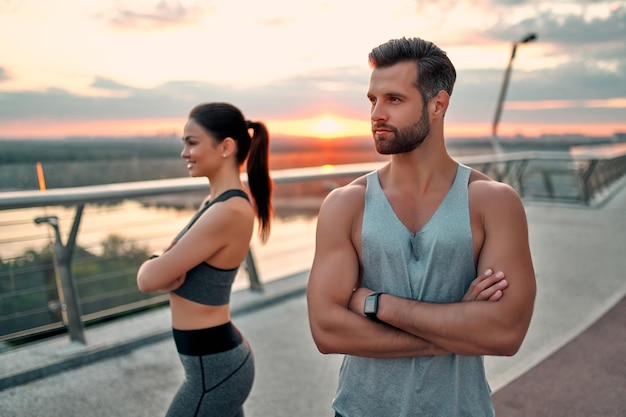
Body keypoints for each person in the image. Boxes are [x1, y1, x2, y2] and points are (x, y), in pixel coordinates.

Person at [306, 37, 536, 417]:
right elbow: (327, 332)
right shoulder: (345, 204)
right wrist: (458, 327)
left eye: (394, 99)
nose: (377, 113)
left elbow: (505, 333)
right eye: (372, 100)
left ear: (438, 104)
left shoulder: (492, 202)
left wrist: (376, 304)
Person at [137, 102, 273, 417]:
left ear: (226, 147)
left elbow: (147, 279)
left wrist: (156, 264)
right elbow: (165, 265)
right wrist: (162, 264)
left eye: (191, 142)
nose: (184, 152)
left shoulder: (227, 211)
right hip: (213, 365)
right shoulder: (215, 202)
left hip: (214, 371)